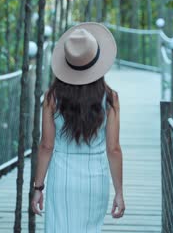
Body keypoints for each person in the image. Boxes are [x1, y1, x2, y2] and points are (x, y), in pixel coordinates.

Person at [31, 22, 125, 232]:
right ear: (98, 62)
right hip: (95, 179)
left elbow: (46, 145)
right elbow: (114, 149)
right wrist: (119, 192)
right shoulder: (110, 99)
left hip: (61, 179)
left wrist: (38, 187)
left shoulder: (52, 97)